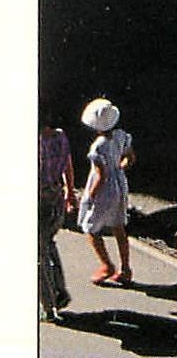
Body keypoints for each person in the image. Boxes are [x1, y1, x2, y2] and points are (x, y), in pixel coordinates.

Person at [77, 98, 133, 285]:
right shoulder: (122, 136)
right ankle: (126, 268)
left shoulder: (98, 146)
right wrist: (120, 167)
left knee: (90, 227)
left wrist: (90, 195)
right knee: (119, 226)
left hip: (105, 188)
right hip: (120, 184)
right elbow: (130, 158)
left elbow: (100, 175)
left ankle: (106, 264)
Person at [38, 104, 76, 320]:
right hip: (56, 198)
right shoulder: (61, 137)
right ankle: (59, 290)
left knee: (38, 253)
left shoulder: (38, 143)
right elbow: (68, 165)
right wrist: (70, 191)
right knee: (49, 244)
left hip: (40, 201)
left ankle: (48, 304)